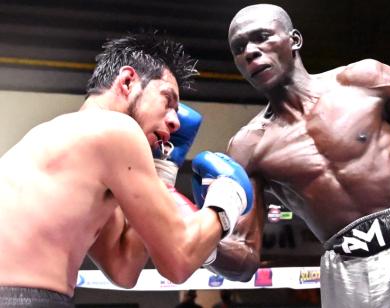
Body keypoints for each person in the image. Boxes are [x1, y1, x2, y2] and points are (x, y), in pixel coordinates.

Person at [205, 4, 390, 308]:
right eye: (239, 47)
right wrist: (201, 241)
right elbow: (244, 259)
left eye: (262, 37)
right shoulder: (247, 147)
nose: (250, 51)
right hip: (347, 271)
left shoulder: (365, 81)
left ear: (294, 40)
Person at [0, 31, 252, 307]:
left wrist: (163, 172)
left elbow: (123, 268)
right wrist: (228, 198)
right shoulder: (116, 129)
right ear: (128, 81)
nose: (175, 122)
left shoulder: (70, 145)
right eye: (168, 101)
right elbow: (179, 260)